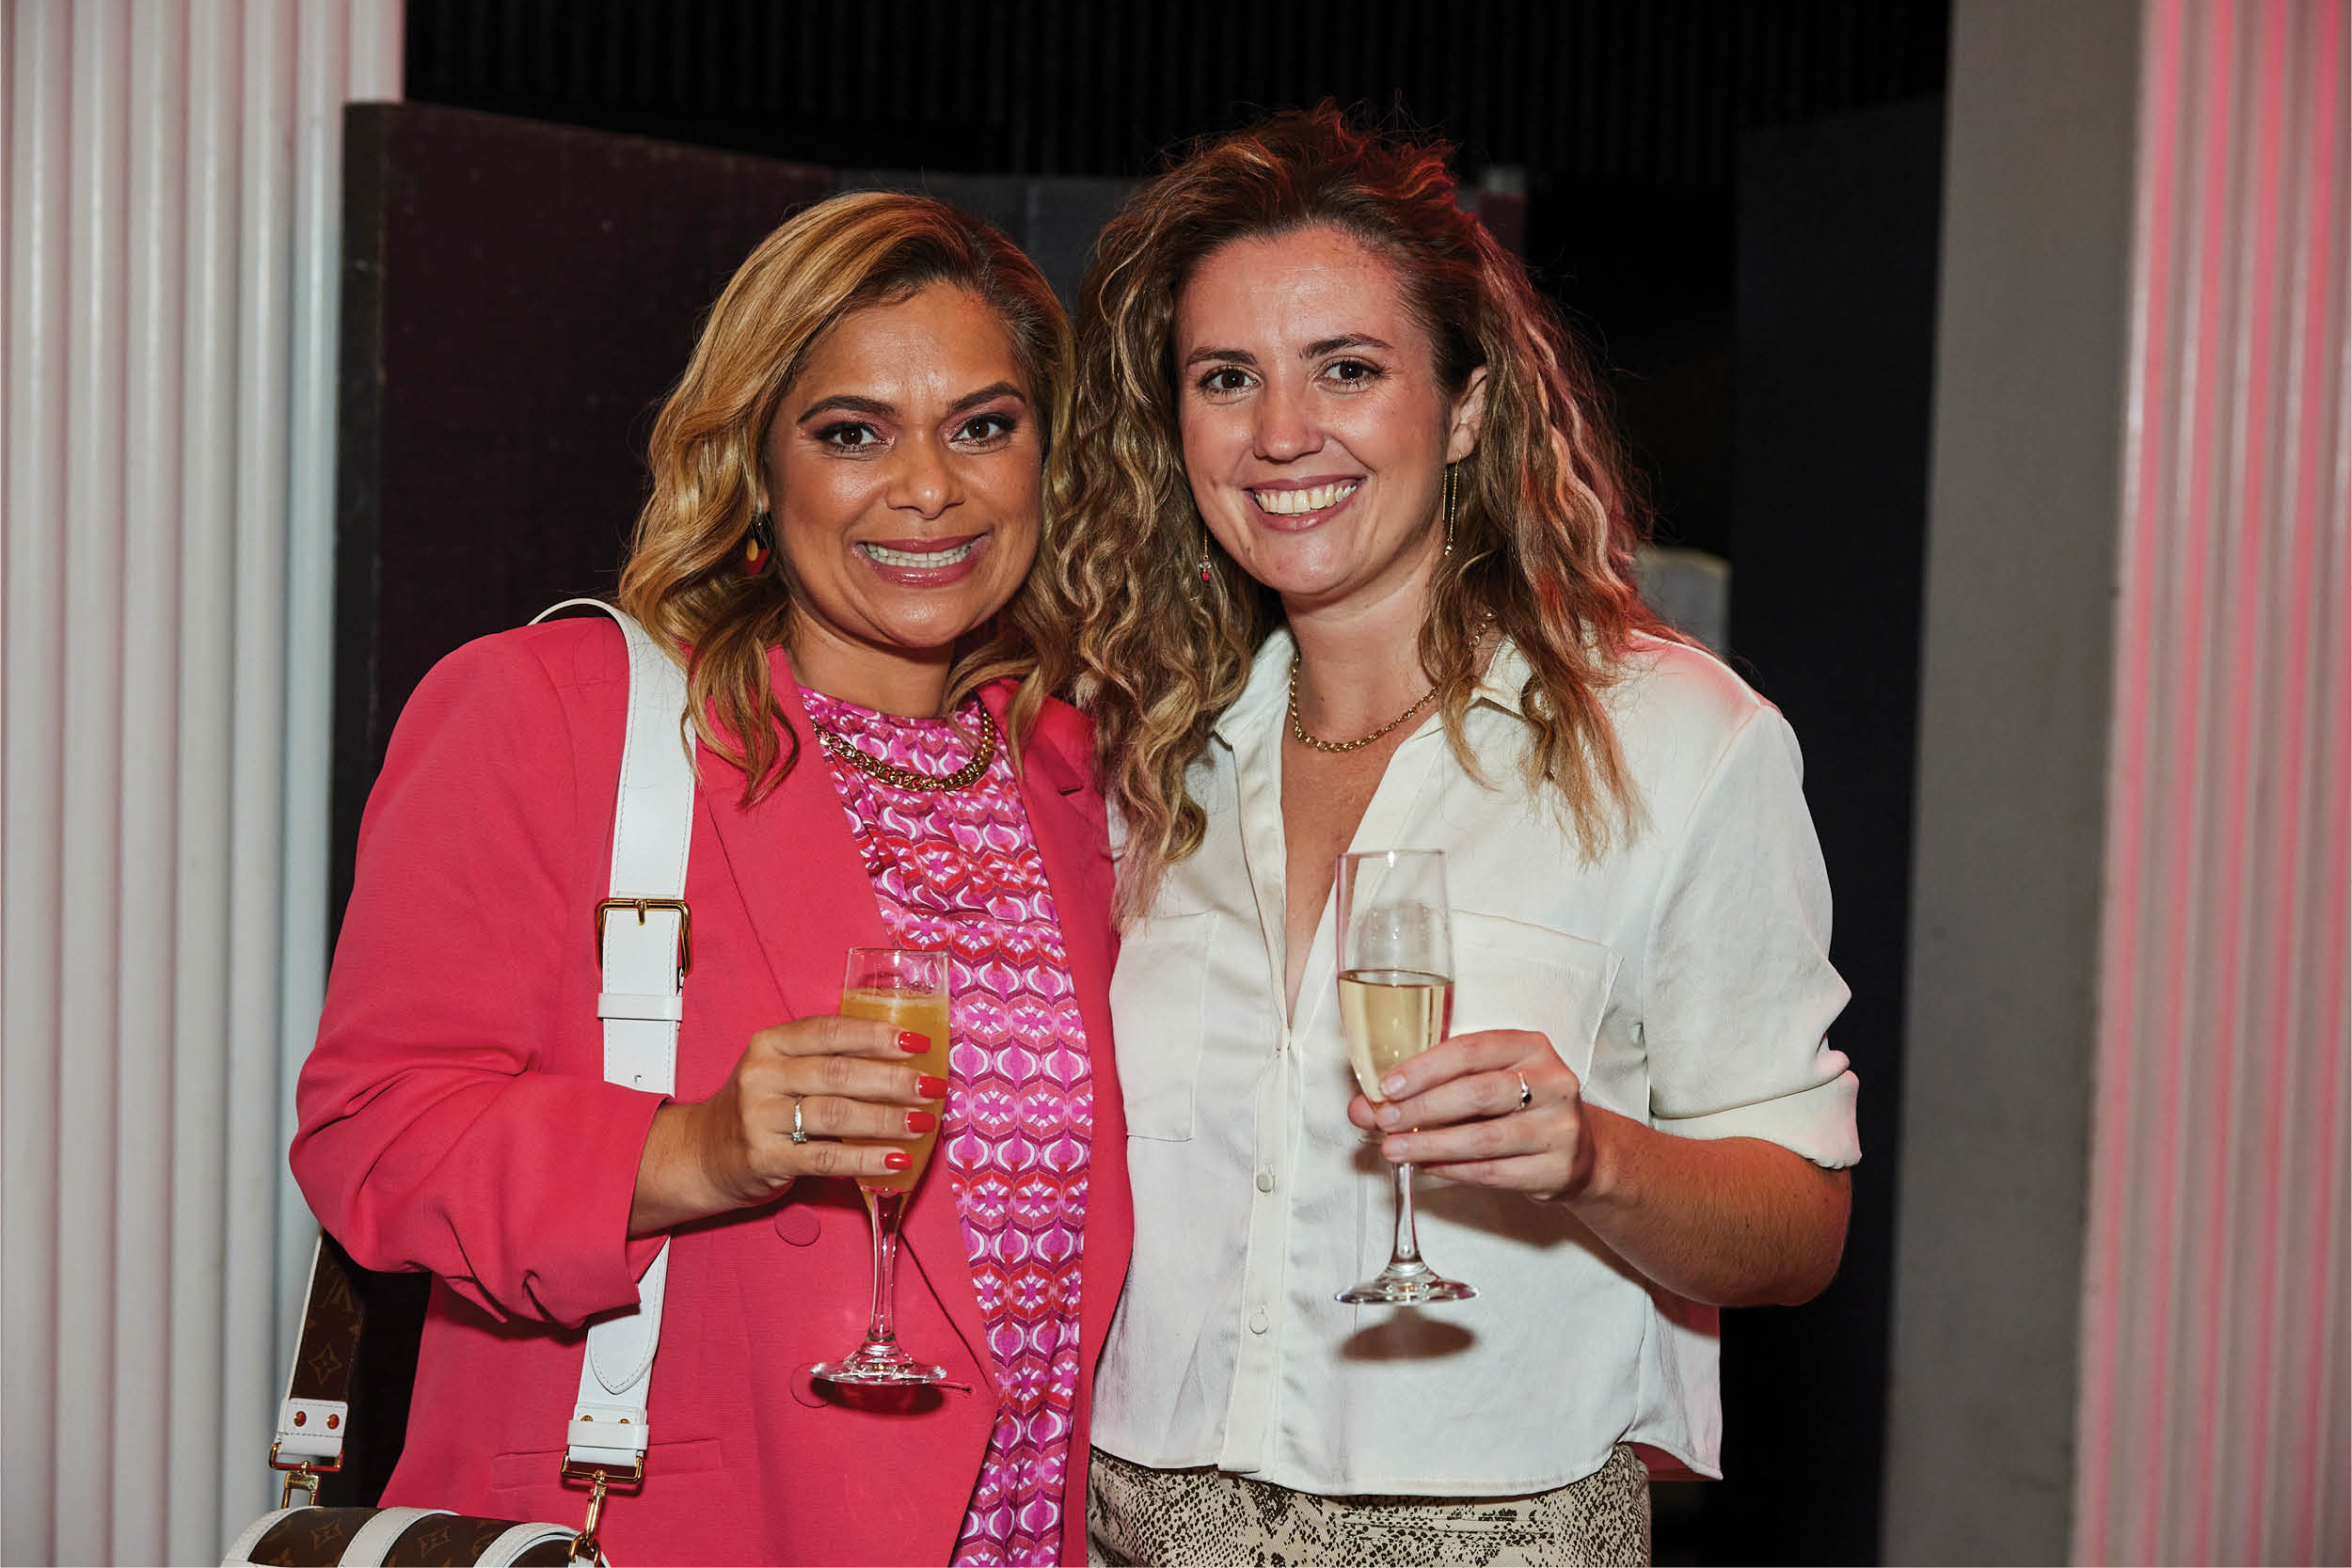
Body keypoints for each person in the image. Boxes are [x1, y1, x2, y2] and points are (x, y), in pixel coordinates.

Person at [1050, 108, 1859, 1565]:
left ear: (1468, 408)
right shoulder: (1142, 753)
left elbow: (1800, 1230)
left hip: (1496, 1535)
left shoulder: (1674, 739)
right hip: (1131, 1525)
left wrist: (1594, 1158)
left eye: (1347, 369)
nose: (1281, 432)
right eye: (1226, 378)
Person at [294, 191, 1129, 1566]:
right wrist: (698, 1150)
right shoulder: (555, 714)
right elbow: (373, 1140)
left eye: (983, 426)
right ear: (755, 461)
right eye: (852, 432)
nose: (929, 486)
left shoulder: (1078, 773)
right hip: (688, 1530)